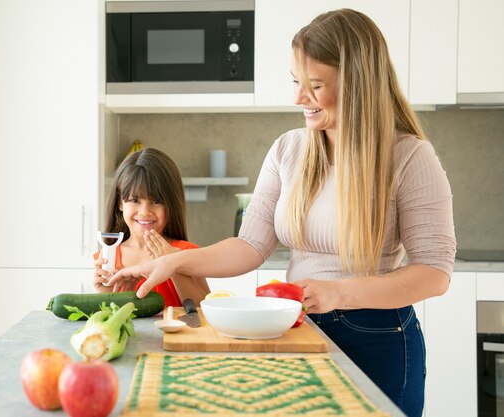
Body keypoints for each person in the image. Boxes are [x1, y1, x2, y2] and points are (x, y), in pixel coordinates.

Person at [108, 9, 456, 417]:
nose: (297, 98)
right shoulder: (289, 150)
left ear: (358, 83)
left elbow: (434, 273)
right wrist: (174, 260)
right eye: (296, 82)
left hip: (377, 336)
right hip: (298, 326)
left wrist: (338, 292)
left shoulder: (410, 156)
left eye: (314, 85)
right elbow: (250, 245)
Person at [93, 147, 210, 307]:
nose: (145, 212)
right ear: (120, 203)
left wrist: (174, 266)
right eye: (135, 200)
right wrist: (104, 293)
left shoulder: (187, 252)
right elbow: (110, 317)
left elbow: (205, 308)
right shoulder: (108, 257)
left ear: (171, 204)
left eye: (156, 201)